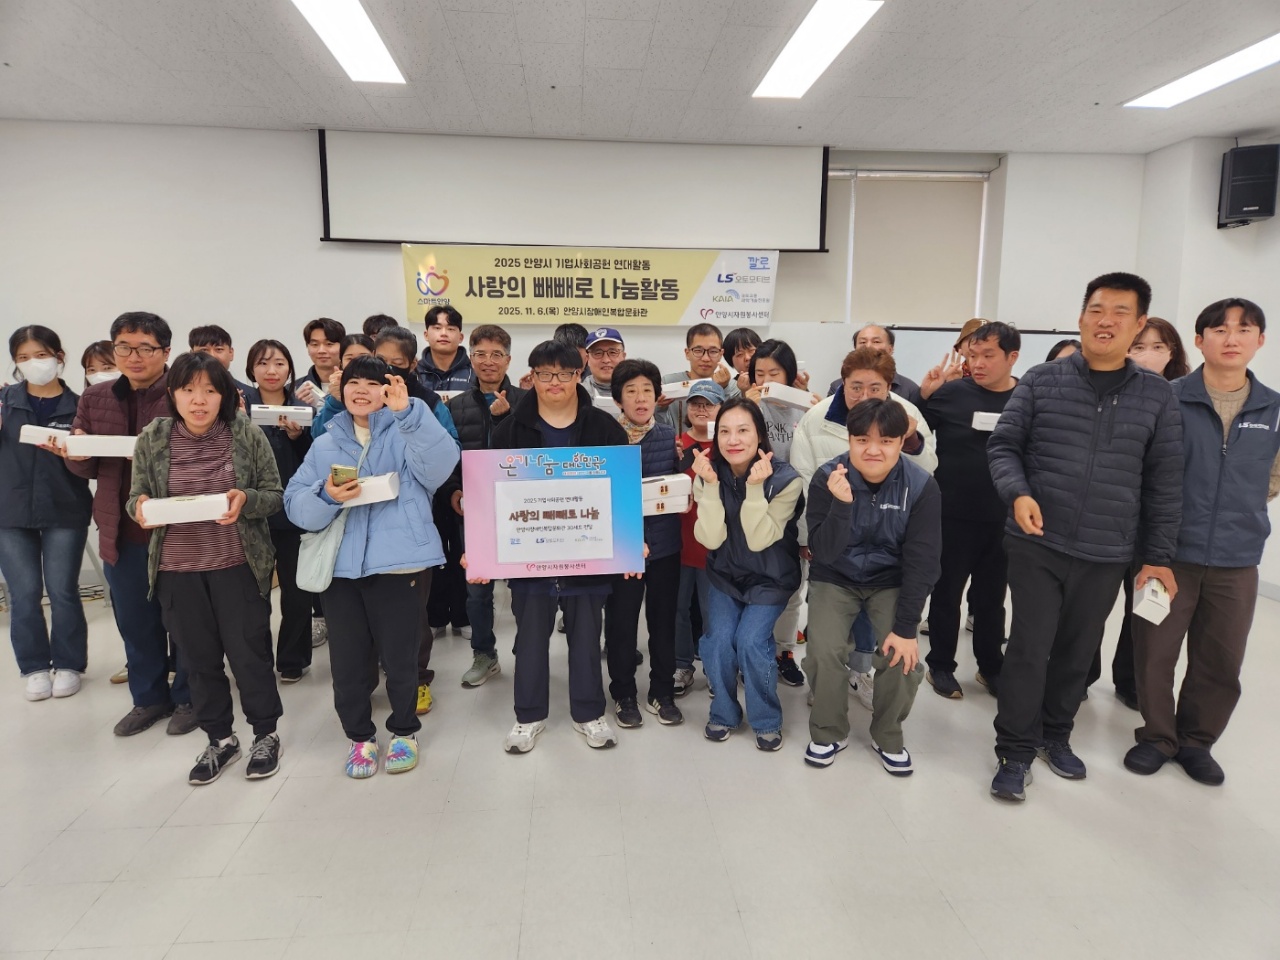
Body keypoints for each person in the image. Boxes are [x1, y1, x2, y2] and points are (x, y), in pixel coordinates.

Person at [986, 272, 1182, 802]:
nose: (1106, 321)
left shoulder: (1157, 397)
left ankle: (1056, 734)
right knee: (1029, 648)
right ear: (1081, 317)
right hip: (1036, 541)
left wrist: (1158, 557)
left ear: (1139, 324)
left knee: (1077, 653)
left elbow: (1165, 482)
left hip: (1107, 550)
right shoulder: (1042, 380)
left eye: (1120, 312)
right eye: (1097, 310)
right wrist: (1017, 493)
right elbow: (1004, 446)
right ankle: (1014, 750)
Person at [1125, 298, 1279, 786]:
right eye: (1219, 329)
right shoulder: (1167, 398)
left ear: (1260, 340)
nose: (1231, 338)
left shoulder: (1274, 408)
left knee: (1221, 659)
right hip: (1167, 554)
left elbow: (1275, 473)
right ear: (1199, 340)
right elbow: (1143, 467)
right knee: (1154, 652)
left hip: (1237, 557)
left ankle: (1196, 741)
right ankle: (1157, 737)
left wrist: (1241, 504)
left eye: (1244, 329)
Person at [285, 357, 459, 778]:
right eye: (353, 382)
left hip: (399, 564)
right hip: (341, 570)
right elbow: (294, 503)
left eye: (371, 383)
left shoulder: (407, 430)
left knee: (401, 658)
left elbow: (442, 465)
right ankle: (360, 737)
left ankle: (404, 732)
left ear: (388, 389)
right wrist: (326, 496)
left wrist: (409, 413)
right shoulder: (325, 442)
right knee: (347, 663)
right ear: (341, 389)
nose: (361, 390)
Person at [127, 351, 285, 785]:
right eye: (188, 390)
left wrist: (245, 500)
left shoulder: (245, 434)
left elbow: (274, 495)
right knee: (198, 661)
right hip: (177, 571)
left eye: (210, 391)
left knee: (249, 655)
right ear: (173, 393)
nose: (199, 400)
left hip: (237, 565)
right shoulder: (153, 438)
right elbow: (136, 497)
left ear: (224, 395)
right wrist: (139, 507)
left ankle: (265, 734)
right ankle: (220, 739)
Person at [469, 339, 628, 754]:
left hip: (587, 558)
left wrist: (632, 542)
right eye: (544, 374)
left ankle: (589, 714)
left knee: (587, 640)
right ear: (532, 376)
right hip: (529, 559)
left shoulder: (605, 429)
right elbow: (490, 496)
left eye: (564, 373)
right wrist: (480, 550)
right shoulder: (509, 431)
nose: (554, 382)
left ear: (579, 375)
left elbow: (621, 493)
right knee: (530, 642)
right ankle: (528, 716)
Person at [65, 312, 196, 737]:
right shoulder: (95, 397)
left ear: (166, 351)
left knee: (186, 622)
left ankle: (190, 697)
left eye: (145, 348)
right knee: (136, 623)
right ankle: (149, 699)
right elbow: (86, 468)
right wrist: (75, 454)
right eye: (124, 347)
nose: (133, 356)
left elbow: (204, 455)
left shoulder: (187, 393)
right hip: (120, 531)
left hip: (176, 529)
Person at [792, 347, 937, 709]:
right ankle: (829, 685)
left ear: (890, 388)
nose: (864, 395)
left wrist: (911, 440)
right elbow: (805, 475)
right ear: (843, 383)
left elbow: (926, 469)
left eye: (875, 388)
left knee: (876, 626)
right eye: (856, 386)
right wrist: (813, 532)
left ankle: (859, 673)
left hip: (887, 548)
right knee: (828, 633)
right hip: (834, 537)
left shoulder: (907, 416)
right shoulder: (816, 417)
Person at [803, 398, 941, 773]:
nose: (873, 450)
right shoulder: (827, 477)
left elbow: (924, 562)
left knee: (903, 655)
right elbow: (822, 552)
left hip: (891, 580)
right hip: (836, 575)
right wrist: (841, 505)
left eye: (886, 441)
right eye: (862, 440)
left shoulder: (922, 486)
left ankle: (888, 733)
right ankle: (828, 730)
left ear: (900, 443)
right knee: (823, 650)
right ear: (849, 440)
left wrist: (907, 627)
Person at [1088, 317, 1190, 706]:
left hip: (1159, 525)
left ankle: (1130, 681)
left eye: (1158, 347)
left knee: (1146, 607)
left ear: (1173, 353)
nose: (1148, 355)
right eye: (1139, 347)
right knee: (1091, 606)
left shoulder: (1183, 399)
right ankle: (1081, 674)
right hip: (1110, 518)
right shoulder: (1113, 392)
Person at [692, 396, 804, 750]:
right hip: (726, 575)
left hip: (771, 579)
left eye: (743, 430)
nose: (733, 440)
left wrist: (755, 489)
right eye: (724, 431)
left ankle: (767, 719)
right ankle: (724, 712)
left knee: (752, 642)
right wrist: (710, 487)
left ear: (760, 435)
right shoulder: (709, 474)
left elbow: (758, 540)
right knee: (717, 642)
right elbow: (710, 538)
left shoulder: (785, 480)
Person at [920, 321, 1020, 700]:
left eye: (988, 355)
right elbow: (917, 438)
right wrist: (925, 397)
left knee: (992, 599)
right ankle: (941, 665)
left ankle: (991, 666)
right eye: (973, 355)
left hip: (1003, 517)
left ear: (1012, 357)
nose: (977, 363)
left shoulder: (1025, 398)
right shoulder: (951, 394)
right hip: (952, 514)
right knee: (946, 594)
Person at [0, 326, 93, 701]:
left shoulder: (80, 405)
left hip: (64, 508)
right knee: (23, 593)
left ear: (59, 357)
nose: (33, 363)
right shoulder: (5, 402)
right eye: (23, 358)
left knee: (62, 590)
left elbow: (94, 464)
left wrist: (78, 452)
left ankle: (69, 664)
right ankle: (35, 667)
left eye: (40, 355)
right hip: (10, 511)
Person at [376, 326, 463, 716]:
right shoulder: (355, 398)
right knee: (367, 613)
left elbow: (448, 451)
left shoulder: (426, 402)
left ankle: (417, 680)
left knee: (413, 613)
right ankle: (370, 678)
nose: (387, 370)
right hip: (361, 519)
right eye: (379, 361)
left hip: (412, 516)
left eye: (396, 363)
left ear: (412, 365)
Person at [440, 324, 526, 688]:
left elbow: (534, 453)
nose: (488, 361)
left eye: (496, 354)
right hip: (474, 510)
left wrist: (505, 417)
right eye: (480, 354)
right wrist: (453, 490)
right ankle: (484, 654)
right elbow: (446, 456)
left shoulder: (528, 401)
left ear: (508, 359)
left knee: (524, 589)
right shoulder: (455, 406)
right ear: (470, 358)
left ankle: (528, 649)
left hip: (521, 510)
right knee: (477, 589)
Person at [602, 359, 684, 728]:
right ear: (618, 399)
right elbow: (602, 497)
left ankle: (662, 692)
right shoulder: (605, 437)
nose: (640, 398)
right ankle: (623, 694)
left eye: (647, 391)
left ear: (657, 396)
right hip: (623, 547)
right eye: (631, 391)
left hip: (665, 547)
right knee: (621, 625)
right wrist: (631, 538)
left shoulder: (668, 437)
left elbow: (676, 490)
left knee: (663, 623)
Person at [743, 339, 820, 688]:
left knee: (793, 586)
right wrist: (747, 408)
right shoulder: (748, 408)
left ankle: (784, 652)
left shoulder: (806, 408)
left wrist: (814, 407)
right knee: (753, 584)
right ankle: (751, 651)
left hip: (796, 513)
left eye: (774, 373)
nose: (766, 380)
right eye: (759, 374)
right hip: (757, 507)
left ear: (790, 375)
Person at [242, 339, 315, 683]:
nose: (271, 371)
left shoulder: (303, 407)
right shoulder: (239, 408)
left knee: (297, 593)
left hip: (293, 512)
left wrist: (299, 437)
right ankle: (254, 661)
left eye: (279, 363)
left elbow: (316, 460)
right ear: (251, 370)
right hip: (251, 514)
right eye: (263, 363)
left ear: (290, 368)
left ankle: (292, 658)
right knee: (251, 595)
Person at [80, 341, 129, 685]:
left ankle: (180, 676)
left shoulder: (166, 396)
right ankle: (141, 674)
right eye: (91, 369)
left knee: (175, 609)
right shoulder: (90, 402)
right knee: (128, 607)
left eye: (107, 366)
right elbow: (86, 469)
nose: (100, 375)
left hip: (164, 520)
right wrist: (76, 453)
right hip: (115, 520)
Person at [673, 379, 724, 696]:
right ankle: (682, 665)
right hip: (678, 545)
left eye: (709, 404)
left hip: (713, 548)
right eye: (695, 403)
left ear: (721, 408)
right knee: (677, 611)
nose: (701, 409)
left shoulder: (727, 446)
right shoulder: (675, 443)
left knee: (713, 614)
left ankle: (715, 669)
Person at [827, 325, 922, 405]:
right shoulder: (837, 386)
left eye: (876, 342)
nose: (868, 346)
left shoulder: (910, 389)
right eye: (863, 342)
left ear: (890, 349)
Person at [310, 334, 375, 438]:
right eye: (350, 359)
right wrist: (336, 402)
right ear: (341, 362)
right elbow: (318, 434)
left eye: (363, 357)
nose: (357, 364)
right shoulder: (332, 393)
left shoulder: (385, 388)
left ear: (374, 357)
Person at [919, 318, 984, 401]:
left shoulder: (999, 379)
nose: (978, 345)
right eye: (972, 339)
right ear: (959, 347)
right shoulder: (942, 379)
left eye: (984, 340)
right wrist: (949, 385)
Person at [417, 305, 473, 393]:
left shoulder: (474, 372)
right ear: (426, 335)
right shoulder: (414, 372)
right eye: (437, 328)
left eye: (450, 329)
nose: (444, 333)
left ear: (460, 337)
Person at [294, 317, 345, 411]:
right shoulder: (294, 390)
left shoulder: (353, 386)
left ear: (343, 347)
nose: (321, 350)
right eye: (315, 345)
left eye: (329, 344)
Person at [189, 325, 252, 396]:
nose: (212, 356)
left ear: (231, 353)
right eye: (204, 350)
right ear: (191, 354)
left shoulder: (251, 395)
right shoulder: (180, 392)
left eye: (219, 349)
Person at [582, 327, 626, 397]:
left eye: (613, 352)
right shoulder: (576, 395)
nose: (606, 360)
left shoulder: (639, 392)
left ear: (623, 357)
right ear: (587, 359)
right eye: (598, 353)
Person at [724, 327, 763, 392]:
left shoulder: (771, 380)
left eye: (751, 351)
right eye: (740, 354)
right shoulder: (729, 390)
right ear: (731, 361)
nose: (747, 358)